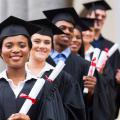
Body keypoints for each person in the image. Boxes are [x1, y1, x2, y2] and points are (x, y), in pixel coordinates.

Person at [43, 7, 110, 120]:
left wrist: (92, 91)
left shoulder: (84, 65)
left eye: (71, 29)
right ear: (52, 30)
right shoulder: (41, 61)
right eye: (62, 28)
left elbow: (95, 106)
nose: (68, 32)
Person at [28, 18, 86, 120]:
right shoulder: (15, 75)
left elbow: (76, 113)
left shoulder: (65, 79)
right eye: (37, 41)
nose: (42, 46)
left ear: (51, 46)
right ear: (28, 44)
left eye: (47, 42)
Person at [0, 16, 43, 120]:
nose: (15, 50)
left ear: (29, 51)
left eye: (22, 45)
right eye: (9, 46)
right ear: (0, 52)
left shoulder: (43, 87)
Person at [83, 1, 120, 118]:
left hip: (102, 105)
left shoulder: (111, 48)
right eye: (96, 15)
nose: (99, 19)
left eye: (103, 16)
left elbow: (115, 79)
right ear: (88, 16)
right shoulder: (79, 44)